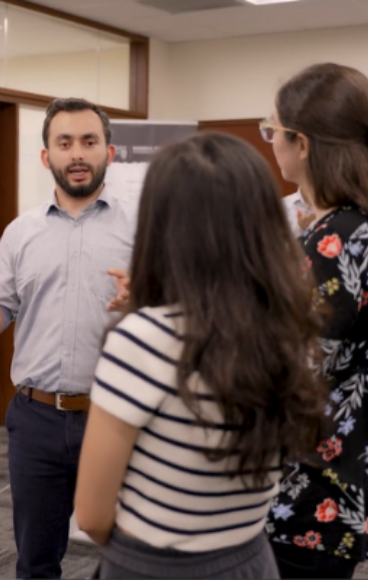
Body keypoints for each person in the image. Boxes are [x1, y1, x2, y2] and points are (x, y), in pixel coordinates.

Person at [74, 131, 326, 579]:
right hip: (250, 558)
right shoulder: (291, 329)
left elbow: (92, 515)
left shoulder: (142, 339)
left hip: (154, 565)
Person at [260, 63, 368, 578]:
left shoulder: (335, 243)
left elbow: (290, 363)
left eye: (273, 131)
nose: (270, 142)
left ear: (303, 144)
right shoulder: (359, 226)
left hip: (313, 473)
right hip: (345, 452)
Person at [0, 97, 133, 579]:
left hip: (118, 417)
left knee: (130, 556)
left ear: (109, 153)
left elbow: (177, 322)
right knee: (36, 560)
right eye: (65, 142)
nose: (77, 153)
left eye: (89, 142)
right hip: (36, 420)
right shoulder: (21, 233)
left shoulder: (142, 229)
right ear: (46, 156)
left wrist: (145, 304)